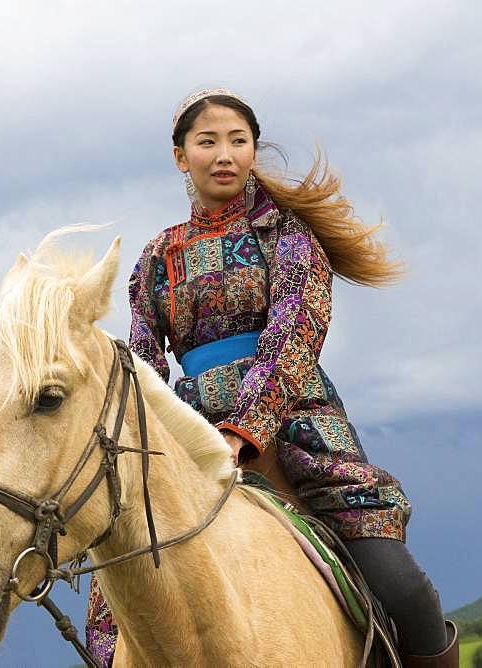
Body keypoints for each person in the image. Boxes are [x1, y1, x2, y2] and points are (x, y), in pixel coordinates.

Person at [85, 88, 458, 667]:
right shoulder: (155, 258)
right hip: (189, 436)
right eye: (207, 142)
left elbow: (295, 336)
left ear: (254, 152)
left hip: (298, 427)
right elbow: (144, 368)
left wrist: (244, 429)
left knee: (401, 586)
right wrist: (154, 449)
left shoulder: (287, 236)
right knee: (114, 610)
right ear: (182, 156)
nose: (224, 154)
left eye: (238, 141)